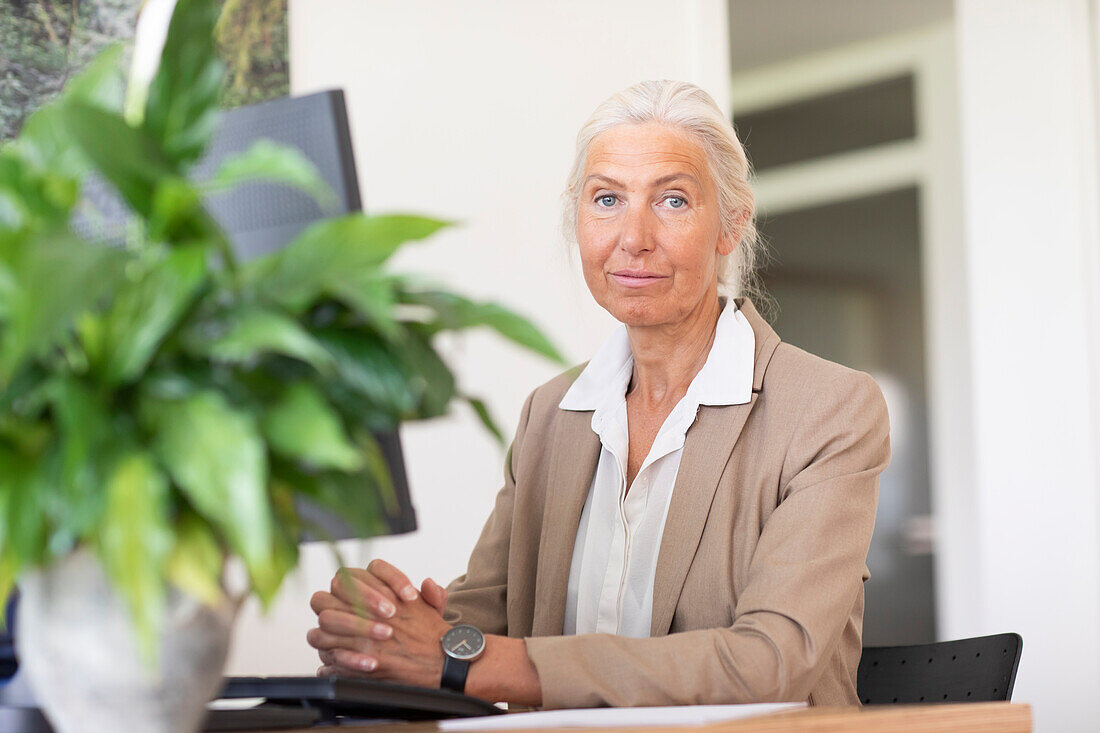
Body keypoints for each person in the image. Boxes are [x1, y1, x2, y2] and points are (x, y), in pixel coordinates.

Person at [306, 79, 891, 709]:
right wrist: (388, 633)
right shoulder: (549, 417)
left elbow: (769, 661)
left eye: (672, 200)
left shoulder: (829, 410)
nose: (632, 237)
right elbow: (480, 621)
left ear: (731, 226)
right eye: (607, 199)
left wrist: (461, 660)